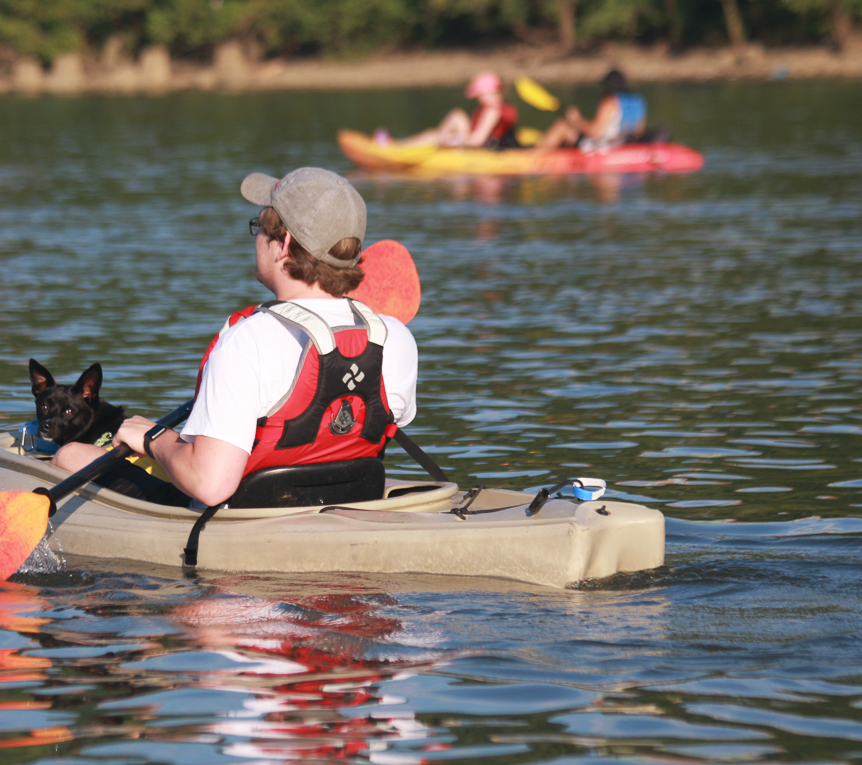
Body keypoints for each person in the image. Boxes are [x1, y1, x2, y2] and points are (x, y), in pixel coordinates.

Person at [52, 167, 418, 509]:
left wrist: (153, 437)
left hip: (244, 518)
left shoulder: (247, 340)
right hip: (348, 504)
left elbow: (211, 484)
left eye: (259, 226)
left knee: (71, 455)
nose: (256, 237)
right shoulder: (395, 337)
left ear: (284, 244)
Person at [377, 70, 518, 150]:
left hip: (481, 150)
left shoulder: (492, 111)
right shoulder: (496, 108)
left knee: (452, 121)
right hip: (484, 145)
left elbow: (477, 141)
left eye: (481, 95)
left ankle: (396, 147)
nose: (479, 99)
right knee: (435, 132)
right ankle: (397, 145)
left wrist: (451, 142)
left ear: (491, 92)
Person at [537, 68, 646, 151]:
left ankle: (535, 156)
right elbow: (640, 131)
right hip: (622, 145)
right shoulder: (637, 102)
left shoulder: (609, 102)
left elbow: (595, 132)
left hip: (602, 147)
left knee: (562, 126)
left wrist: (576, 119)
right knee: (573, 134)